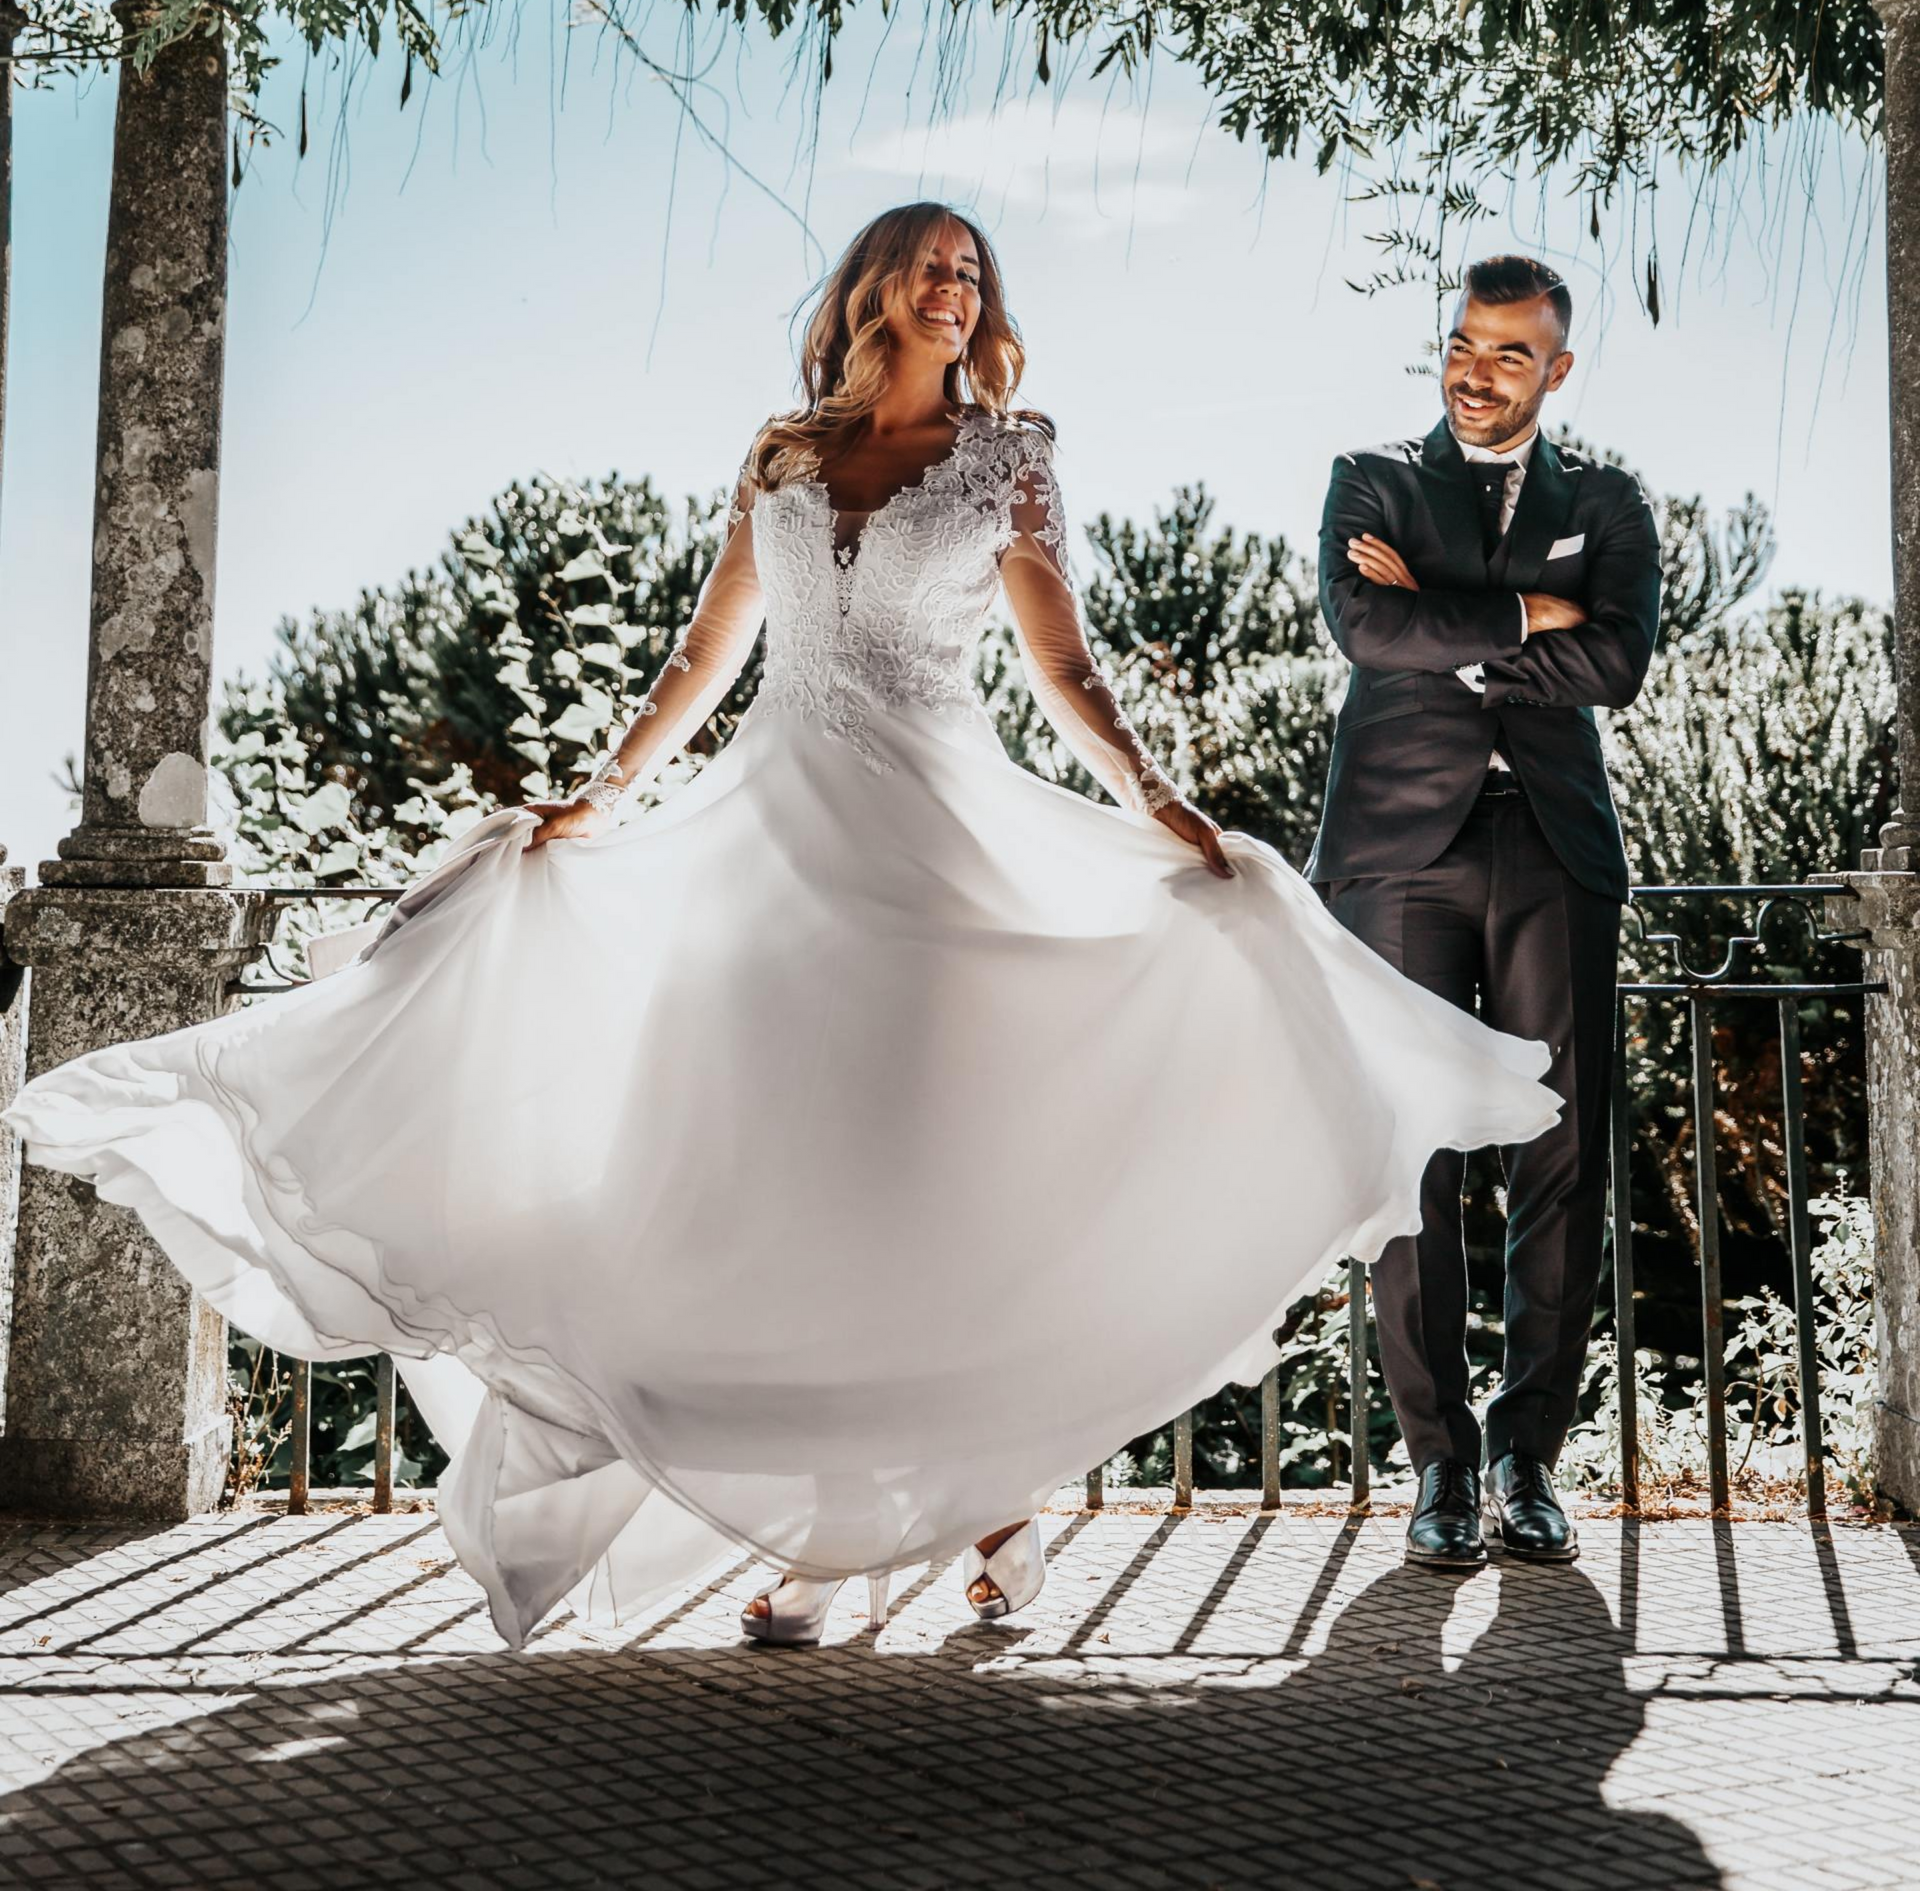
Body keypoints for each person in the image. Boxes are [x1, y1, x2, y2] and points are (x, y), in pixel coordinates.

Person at [1, 204, 1563, 1651]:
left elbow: (1062, 671)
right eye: (935, 266)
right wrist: (598, 800)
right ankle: (874, 1534)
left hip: (937, 871)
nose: (960, 290)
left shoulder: (1010, 459)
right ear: (875, 288)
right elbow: (704, 654)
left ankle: (942, 1523)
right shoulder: (782, 458)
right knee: (765, 1202)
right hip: (770, 863)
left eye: (978, 274)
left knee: (909, 1210)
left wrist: (1168, 812)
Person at [1307, 254, 1662, 1572]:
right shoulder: (1375, 478)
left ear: (1556, 370)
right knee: (1415, 1162)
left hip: (1555, 847)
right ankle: (1440, 1469)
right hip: (1398, 855)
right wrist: (1525, 614)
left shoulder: (1607, 500)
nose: (1477, 368)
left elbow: (1615, 661)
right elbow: (1362, 625)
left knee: (1560, 1160)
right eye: (1465, 341)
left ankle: (1526, 1460)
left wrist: (1441, 620)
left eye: (1512, 352)